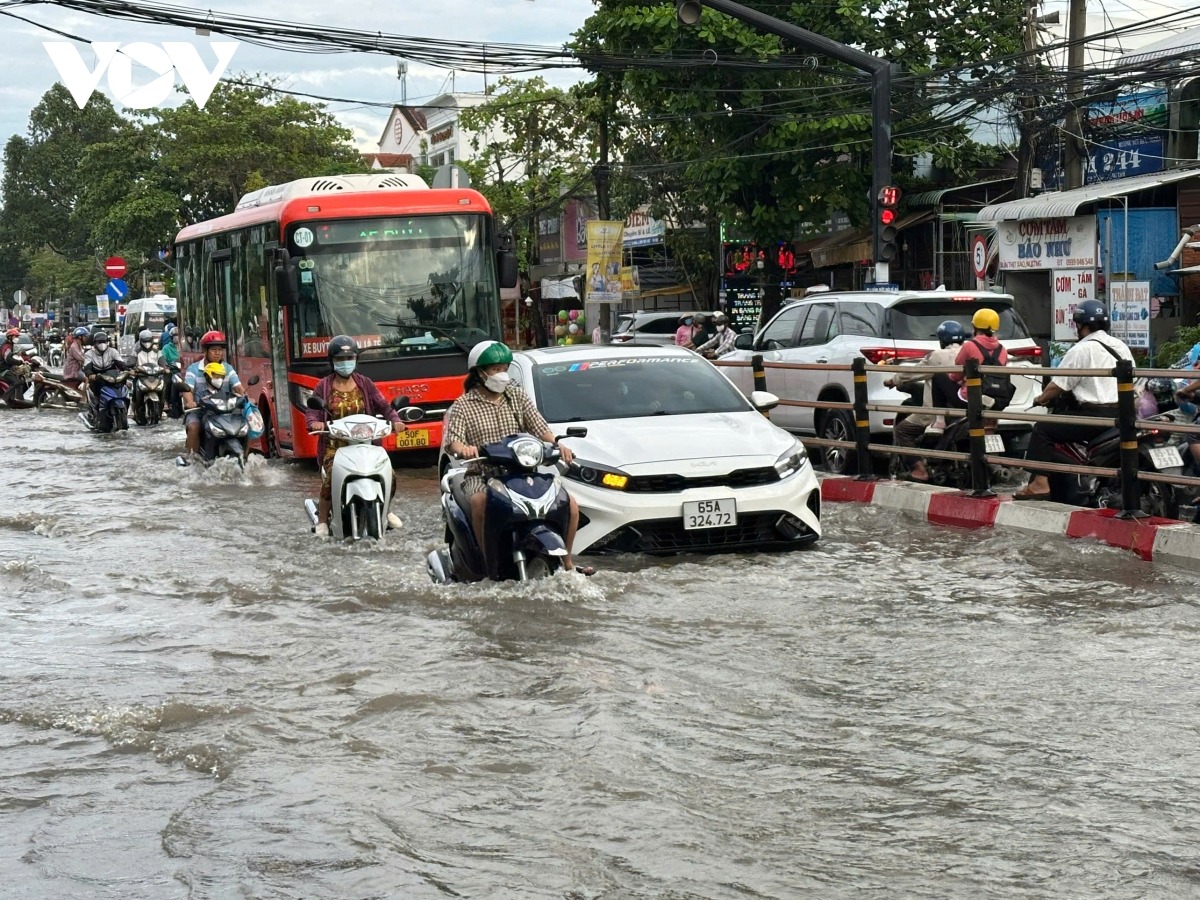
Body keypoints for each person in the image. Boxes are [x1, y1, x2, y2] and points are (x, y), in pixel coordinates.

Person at [442, 340, 592, 575]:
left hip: (522, 473)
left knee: (569, 504)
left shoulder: (516, 396)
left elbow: (539, 426)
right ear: (479, 373)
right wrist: (464, 449)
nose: (501, 374)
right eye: (495, 369)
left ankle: (568, 562)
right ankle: (487, 565)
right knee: (480, 503)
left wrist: (557, 444)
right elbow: (454, 441)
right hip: (482, 473)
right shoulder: (463, 405)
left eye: (504, 368)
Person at [1014, 300, 1134, 500]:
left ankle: (1039, 484)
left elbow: (1058, 385)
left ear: (1081, 325)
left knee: (1043, 429)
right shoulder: (1121, 346)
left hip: (1094, 416)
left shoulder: (1081, 349)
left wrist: (1041, 398)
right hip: (1123, 413)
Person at [304, 335, 405, 537]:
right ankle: (323, 520)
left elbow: (383, 406)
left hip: (367, 444)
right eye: (340, 359)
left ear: (356, 359)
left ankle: (387, 509)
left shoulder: (365, 384)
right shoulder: (323, 387)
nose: (345, 363)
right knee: (331, 476)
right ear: (332, 361)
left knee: (389, 473)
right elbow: (312, 412)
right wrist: (314, 423)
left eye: (349, 358)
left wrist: (396, 421)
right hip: (336, 447)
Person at [884, 320, 966, 482]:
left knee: (903, 430)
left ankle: (919, 471)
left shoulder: (937, 356)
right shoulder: (970, 352)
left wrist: (893, 381)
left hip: (940, 412)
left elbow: (914, 373)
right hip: (970, 407)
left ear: (942, 341)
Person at [180, 330, 245, 465]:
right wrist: (190, 402)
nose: (217, 353)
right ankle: (192, 461)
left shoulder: (227, 368)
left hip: (224, 411)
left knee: (245, 426)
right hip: (199, 411)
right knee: (193, 427)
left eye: (220, 350)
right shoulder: (193, 369)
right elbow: (188, 390)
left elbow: (238, 387)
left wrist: (245, 397)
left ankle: (246, 458)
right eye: (214, 350)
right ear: (205, 351)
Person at [930, 308, 1009, 412]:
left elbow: (956, 375)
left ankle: (939, 421)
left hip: (970, 398)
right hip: (996, 397)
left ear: (975, 327)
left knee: (938, 377)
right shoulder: (1002, 349)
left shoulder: (970, 346)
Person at [63, 326, 88, 390]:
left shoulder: (79, 345)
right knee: (87, 378)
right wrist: (89, 361)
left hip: (77, 369)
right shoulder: (74, 346)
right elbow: (80, 358)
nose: (86, 338)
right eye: (85, 336)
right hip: (73, 371)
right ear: (80, 337)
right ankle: (84, 396)